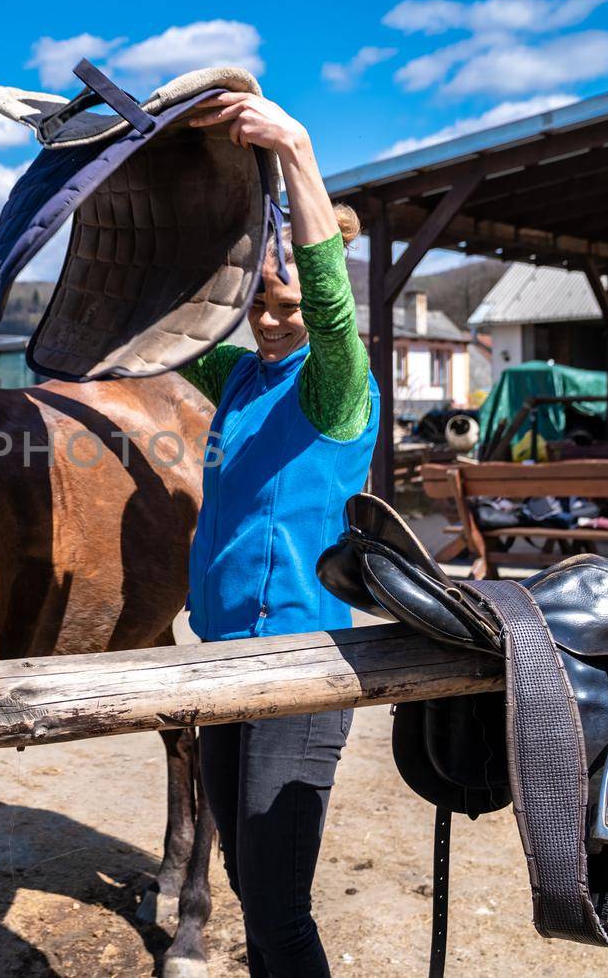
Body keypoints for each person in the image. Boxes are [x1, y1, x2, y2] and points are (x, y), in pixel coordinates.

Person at [178, 92, 378, 977]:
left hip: (299, 663)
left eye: (286, 301)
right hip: (222, 659)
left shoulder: (333, 384)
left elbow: (331, 310)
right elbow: (166, 333)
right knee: (244, 880)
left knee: (279, 910)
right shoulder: (236, 377)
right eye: (259, 299)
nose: (270, 317)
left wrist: (293, 145)